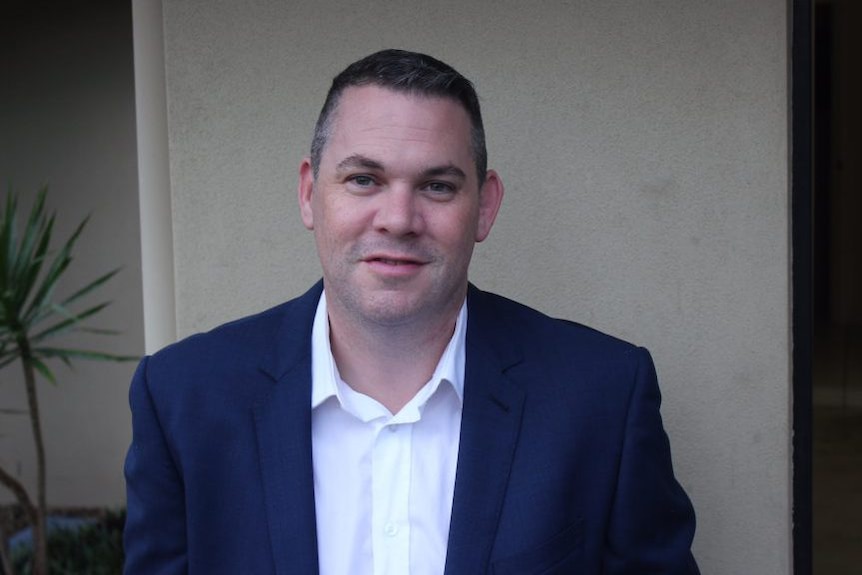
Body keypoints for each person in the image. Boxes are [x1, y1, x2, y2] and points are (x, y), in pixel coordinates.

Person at [124, 49, 699, 574]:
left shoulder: (601, 395)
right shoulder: (183, 398)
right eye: (363, 179)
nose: (398, 219)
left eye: (437, 187)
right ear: (308, 193)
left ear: (485, 206)